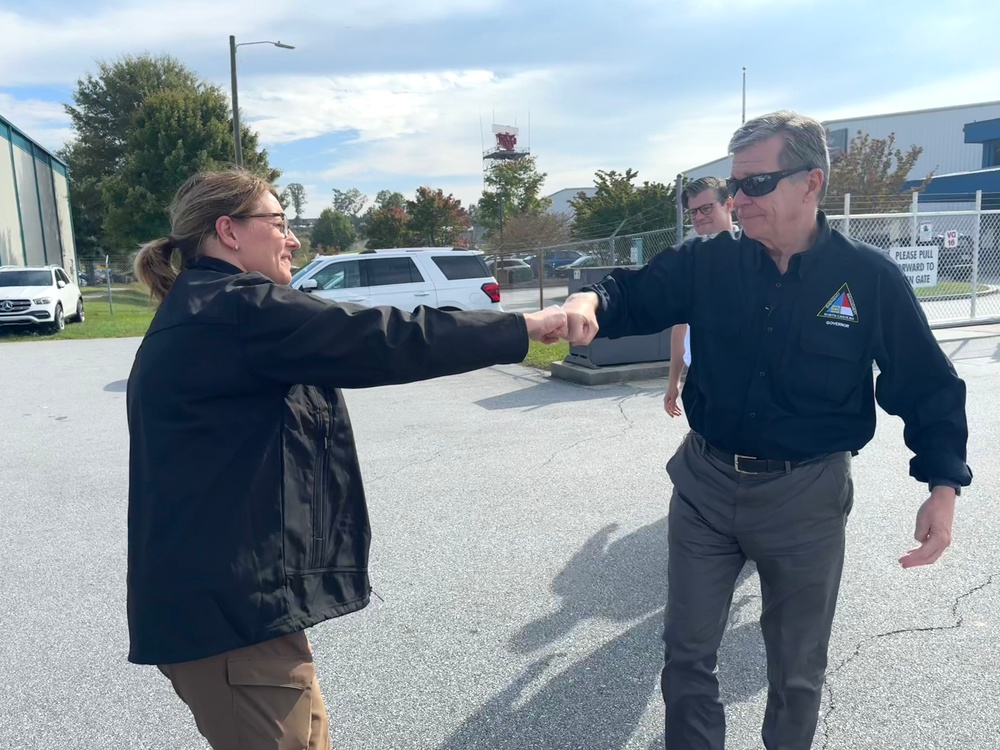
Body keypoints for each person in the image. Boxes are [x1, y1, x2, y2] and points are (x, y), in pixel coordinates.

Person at [560, 110, 972, 750]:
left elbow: (927, 387)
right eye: (731, 188)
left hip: (805, 498)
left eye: (754, 184)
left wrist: (942, 485)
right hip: (704, 485)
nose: (736, 201)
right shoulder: (709, 265)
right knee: (687, 659)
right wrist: (589, 301)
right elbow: (630, 293)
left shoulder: (868, 281)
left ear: (811, 183)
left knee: (797, 672)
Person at [125, 169, 567, 750]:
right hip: (231, 622)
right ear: (228, 231)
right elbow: (381, 338)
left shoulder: (216, 311)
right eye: (279, 222)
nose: (293, 239)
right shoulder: (233, 310)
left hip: (247, 614)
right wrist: (524, 327)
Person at [664, 177, 735, 418]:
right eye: (693, 212)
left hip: (738, 376)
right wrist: (674, 380)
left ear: (729, 204)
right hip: (700, 377)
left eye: (707, 208)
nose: (699, 216)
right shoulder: (689, 262)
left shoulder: (753, 254)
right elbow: (680, 325)